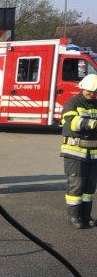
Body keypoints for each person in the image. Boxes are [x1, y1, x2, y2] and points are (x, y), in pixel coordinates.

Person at [60, 74, 97, 229]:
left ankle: (86, 215)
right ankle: (73, 216)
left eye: (95, 92)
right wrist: (91, 124)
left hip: (93, 153)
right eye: (89, 91)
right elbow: (71, 124)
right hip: (75, 152)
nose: (92, 95)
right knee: (77, 184)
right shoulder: (72, 103)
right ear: (82, 88)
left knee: (90, 187)